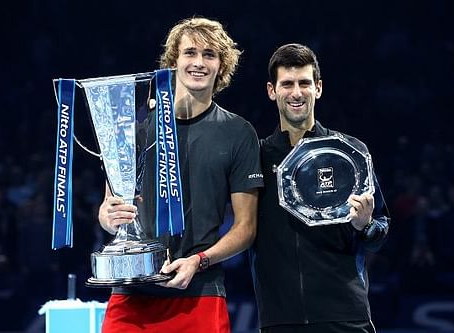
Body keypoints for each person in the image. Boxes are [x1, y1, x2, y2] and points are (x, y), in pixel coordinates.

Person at [98, 17, 263, 333]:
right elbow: (108, 211)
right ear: (174, 61)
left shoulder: (238, 133)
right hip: (132, 296)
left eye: (209, 55)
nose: (199, 62)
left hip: (200, 293)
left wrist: (199, 260)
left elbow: (247, 228)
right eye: (190, 53)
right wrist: (108, 216)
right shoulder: (135, 129)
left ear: (221, 66)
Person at [250, 43, 390, 333]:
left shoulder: (350, 153)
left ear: (319, 87)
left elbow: (380, 231)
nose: (297, 93)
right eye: (287, 84)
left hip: (345, 316)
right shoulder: (256, 157)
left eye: (304, 83)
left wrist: (365, 225)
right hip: (280, 318)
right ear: (271, 90)